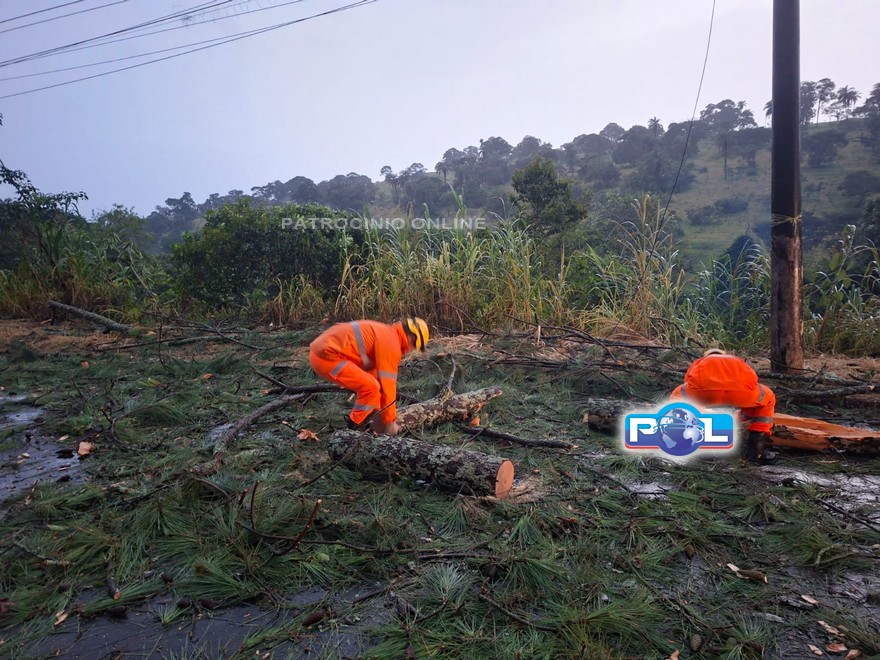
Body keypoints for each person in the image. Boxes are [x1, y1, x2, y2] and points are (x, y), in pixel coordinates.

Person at [309, 317, 429, 435]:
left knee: (372, 386)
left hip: (326, 355)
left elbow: (377, 379)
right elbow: (388, 386)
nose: (411, 350)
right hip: (326, 358)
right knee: (370, 387)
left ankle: (368, 423)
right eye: (414, 346)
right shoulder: (391, 343)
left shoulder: (387, 334)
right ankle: (354, 427)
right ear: (411, 338)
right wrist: (390, 422)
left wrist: (378, 415)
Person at [670, 348, 778, 464]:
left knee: (679, 395)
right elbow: (752, 380)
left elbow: (689, 381)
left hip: (705, 394)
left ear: (707, 355)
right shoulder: (736, 360)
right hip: (741, 394)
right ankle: (756, 448)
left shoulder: (701, 361)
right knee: (767, 398)